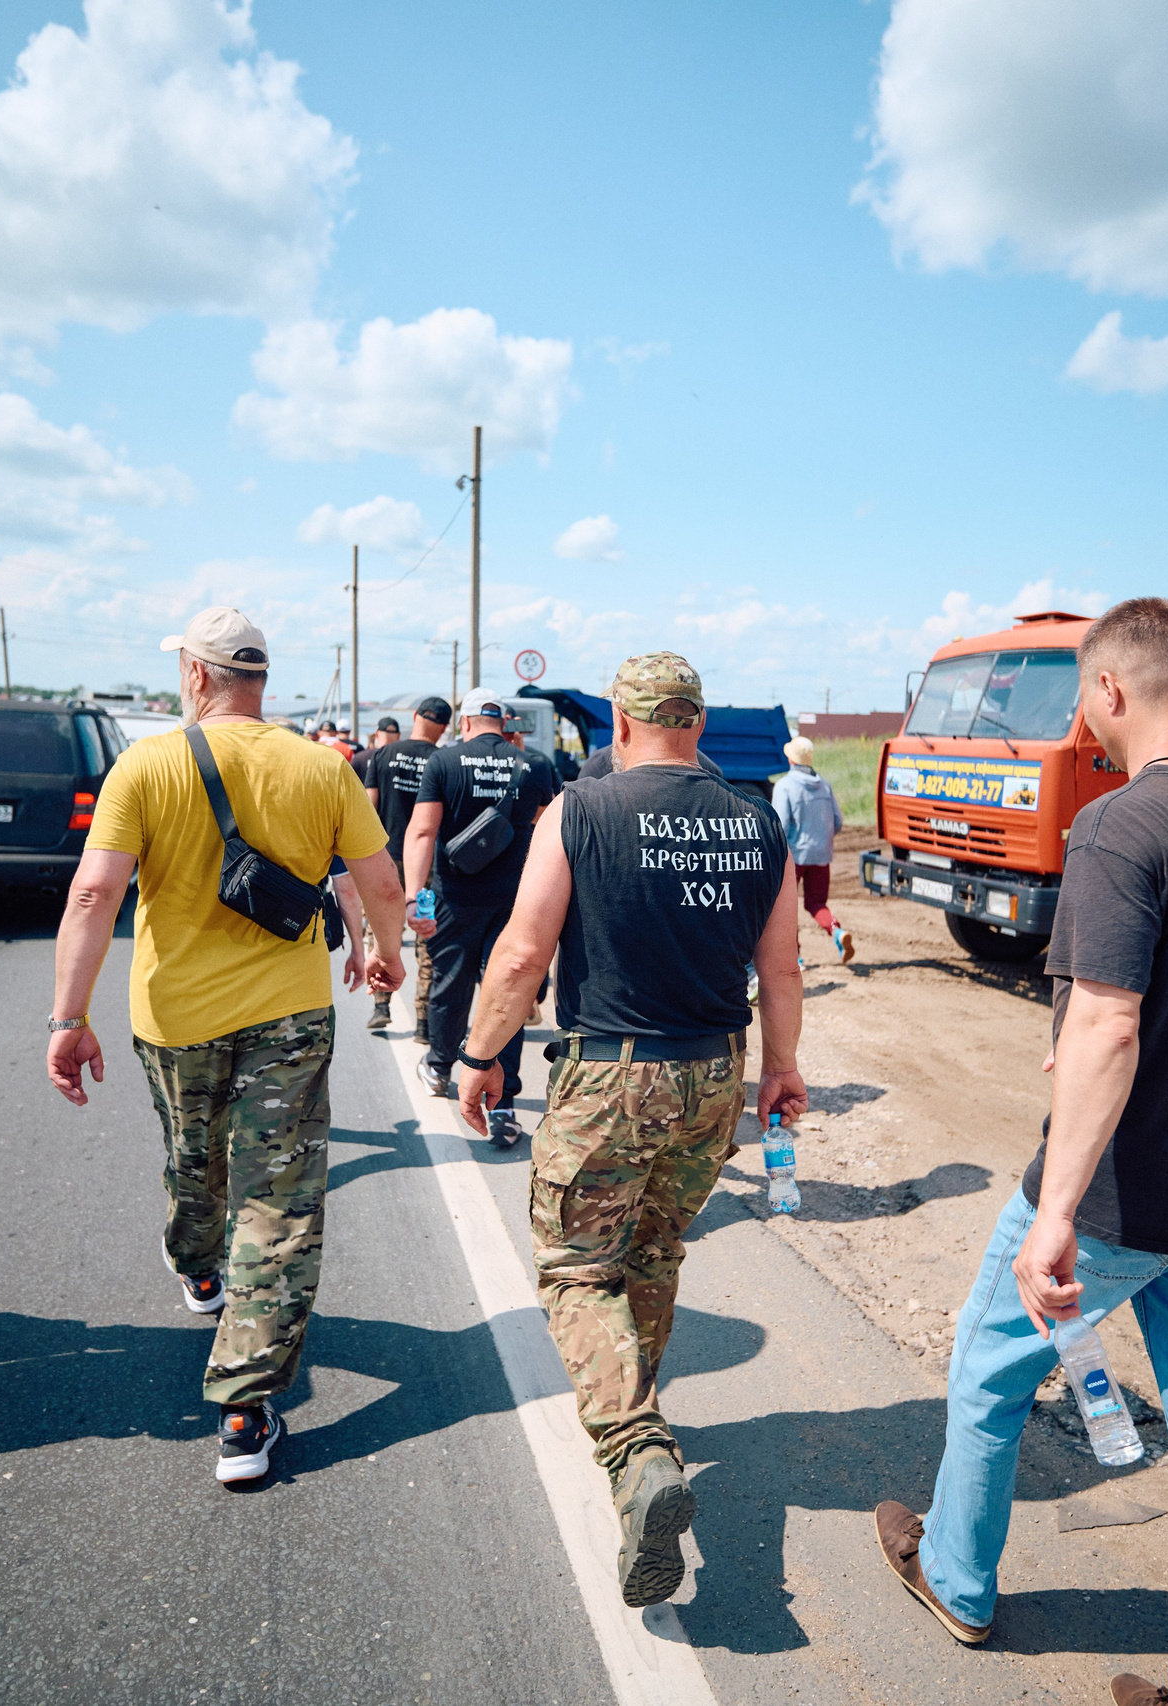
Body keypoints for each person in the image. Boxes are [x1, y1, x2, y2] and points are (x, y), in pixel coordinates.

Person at [872, 598, 1168, 1706]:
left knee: (989, 1364)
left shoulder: (1119, 825)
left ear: (1112, 689)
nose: (1080, 716)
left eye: (1079, 692)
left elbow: (1107, 1023)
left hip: (1116, 1195)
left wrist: (1056, 1208)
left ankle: (958, 1577)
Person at [450, 651, 804, 1606]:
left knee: (576, 1266)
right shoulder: (756, 820)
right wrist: (781, 1069)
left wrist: (482, 1055)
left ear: (620, 716)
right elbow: (783, 970)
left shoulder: (582, 808)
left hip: (613, 1071)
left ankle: (637, 1453)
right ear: (696, 722)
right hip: (713, 1074)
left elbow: (524, 952)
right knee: (652, 1252)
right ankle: (636, 1419)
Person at [47, 606, 405, 1487]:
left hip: (173, 1016)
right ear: (259, 679)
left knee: (194, 1160)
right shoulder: (323, 767)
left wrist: (67, 1017)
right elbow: (382, 879)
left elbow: (96, 896)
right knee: (278, 1200)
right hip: (288, 1014)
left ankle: (199, 1270)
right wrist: (382, 953)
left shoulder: (149, 763)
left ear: (197, 675)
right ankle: (245, 1414)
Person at [403, 690, 559, 1118]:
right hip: (518, 901)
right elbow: (550, 834)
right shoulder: (536, 765)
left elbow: (422, 832)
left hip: (454, 896)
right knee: (507, 993)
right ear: (504, 722)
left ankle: (438, 1067)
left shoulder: (444, 762)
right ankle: (504, 1096)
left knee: (449, 985)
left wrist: (415, 898)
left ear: (465, 723)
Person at [360, 698, 451, 1036]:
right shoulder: (443, 760)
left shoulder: (383, 755)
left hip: (387, 858)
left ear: (414, 718)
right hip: (427, 863)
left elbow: (369, 808)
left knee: (383, 932)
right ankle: (424, 1019)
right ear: (444, 727)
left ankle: (381, 1005)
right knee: (428, 936)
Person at [773, 735, 854, 964]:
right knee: (816, 903)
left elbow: (780, 825)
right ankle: (836, 931)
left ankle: (795, 957)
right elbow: (837, 821)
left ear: (790, 760)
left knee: (785, 907)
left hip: (794, 857)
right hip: (821, 855)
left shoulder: (785, 786)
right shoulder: (824, 785)